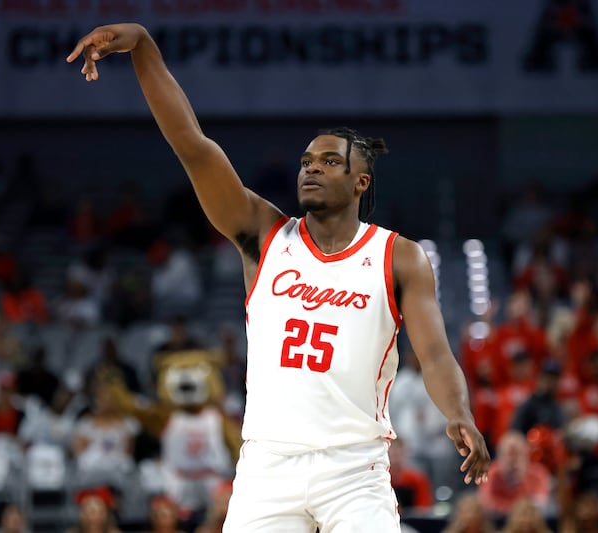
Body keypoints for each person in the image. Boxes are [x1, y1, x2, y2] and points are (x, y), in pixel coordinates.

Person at [66, 23, 490, 532]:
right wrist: (143, 46)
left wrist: (457, 411)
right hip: (268, 464)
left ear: (361, 182)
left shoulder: (397, 256)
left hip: (354, 468)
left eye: (330, 161)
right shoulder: (264, 234)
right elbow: (193, 146)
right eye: (306, 161)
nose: (311, 168)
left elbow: (438, 355)